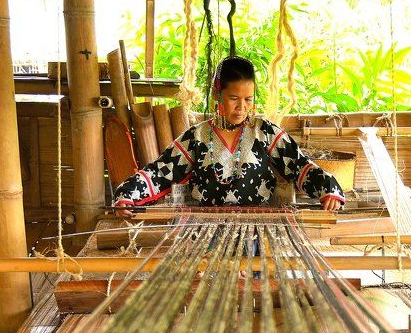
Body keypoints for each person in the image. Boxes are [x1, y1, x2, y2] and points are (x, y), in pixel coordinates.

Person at [112, 56, 346, 217]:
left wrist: (328, 189)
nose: (241, 107)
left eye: (248, 99)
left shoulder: (264, 132)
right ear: (218, 94)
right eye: (234, 98)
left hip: (257, 230)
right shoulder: (197, 136)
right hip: (205, 232)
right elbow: (160, 171)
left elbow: (298, 164)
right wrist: (127, 196)